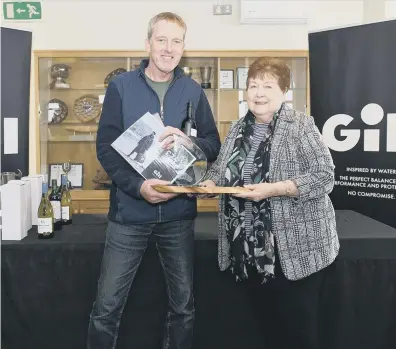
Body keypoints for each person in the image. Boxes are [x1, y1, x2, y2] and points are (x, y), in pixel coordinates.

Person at [87, 12, 221, 349]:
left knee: (183, 308)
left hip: (177, 216)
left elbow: (213, 144)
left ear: (183, 47)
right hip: (129, 216)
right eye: (161, 40)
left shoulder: (192, 89)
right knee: (106, 308)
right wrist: (137, 188)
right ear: (148, 44)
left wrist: (189, 142)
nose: (168, 48)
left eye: (176, 41)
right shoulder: (121, 87)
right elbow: (106, 148)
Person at [200, 57, 339, 349]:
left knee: (297, 334)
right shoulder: (238, 129)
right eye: (253, 85)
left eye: (267, 85)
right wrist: (211, 184)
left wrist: (275, 189)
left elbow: (324, 176)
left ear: (284, 92)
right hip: (249, 254)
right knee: (267, 331)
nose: (259, 92)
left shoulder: (300, 125)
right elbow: (221, 169)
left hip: (294, 252)